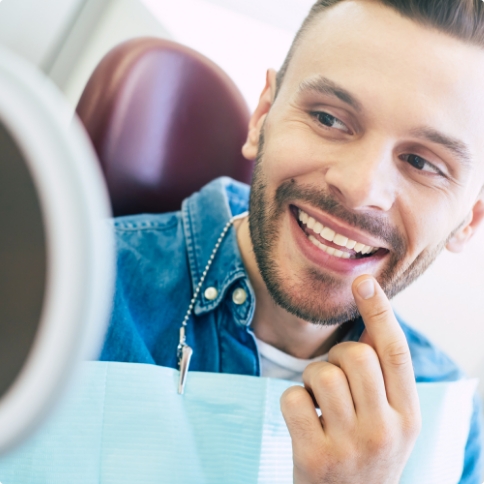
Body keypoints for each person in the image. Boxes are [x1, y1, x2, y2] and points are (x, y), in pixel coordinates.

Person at [100, 0, 484, 481]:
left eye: (423, 163)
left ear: (469, 221)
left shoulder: (452, 427)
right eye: (329, 119)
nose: (361, 187)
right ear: (263, 116)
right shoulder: (65, 289)